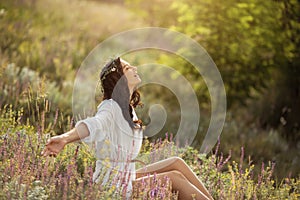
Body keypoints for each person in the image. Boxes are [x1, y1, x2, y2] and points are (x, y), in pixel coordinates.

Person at [42, 57, 213, 200]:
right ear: (119, 78)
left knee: (176, 162)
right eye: (127, 67)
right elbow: (94, 124)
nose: (134, 68)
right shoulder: (110, 107)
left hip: (125, 176)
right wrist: (65, 138)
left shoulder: (128, 108)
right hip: (114, 187)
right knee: (174, 178)